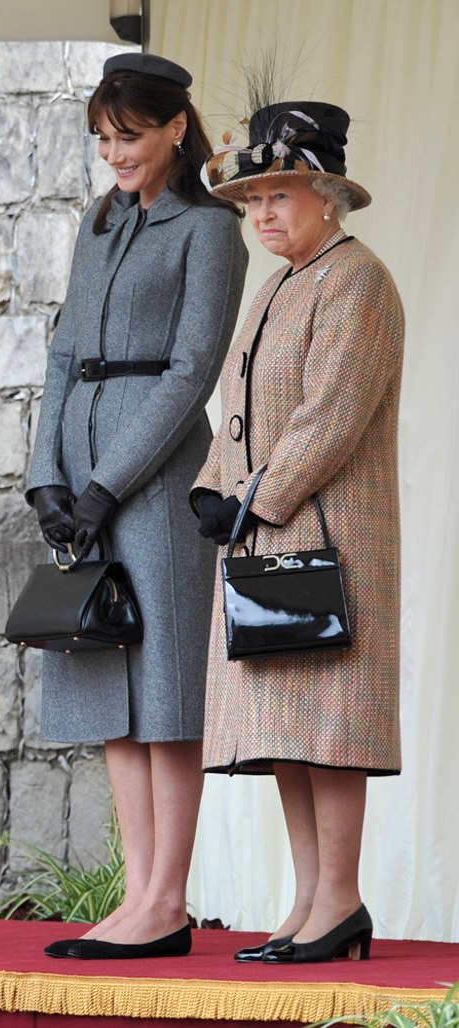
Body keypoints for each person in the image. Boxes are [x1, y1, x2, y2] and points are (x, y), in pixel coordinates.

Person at [27, 52, 248, 960]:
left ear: (175, 129)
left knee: (163, 691)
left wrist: (107, 484)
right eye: (103, 140)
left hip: (154, 485)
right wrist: (45, 474)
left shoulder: (212, 231)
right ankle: (136, 899)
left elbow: (192, 372)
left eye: (129, 136)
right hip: (80, 474)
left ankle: (166, 902)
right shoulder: (100, 220)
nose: (114, 155)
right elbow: (61, 353)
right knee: (102, 681)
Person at [191, 99, 404, 964]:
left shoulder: (358, 280)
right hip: (270, 532)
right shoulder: (277, 285)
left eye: (279, 195)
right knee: (287, 729)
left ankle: (340, 900)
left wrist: (253, 499)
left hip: (332, 534)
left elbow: (331, 416)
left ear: (328, 195)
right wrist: (213, 487)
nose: (263, 213)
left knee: (330, 728)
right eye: (254, 200)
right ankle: (310, 902)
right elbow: (238, 413)